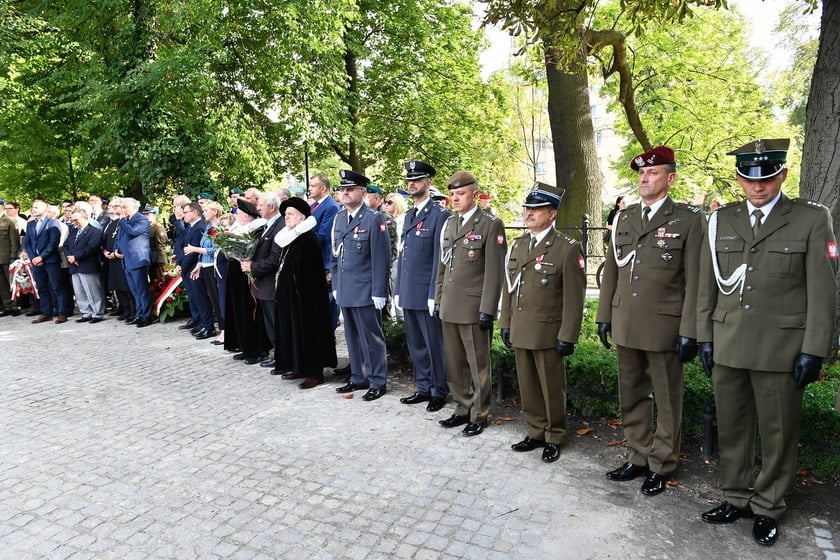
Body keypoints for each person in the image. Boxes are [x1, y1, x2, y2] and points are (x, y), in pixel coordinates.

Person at [696, 138, 838, 546]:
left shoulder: (811, 219)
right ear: (739, 179)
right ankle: (736, 496)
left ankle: (768, 505)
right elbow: (708, 285)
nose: (758, 186)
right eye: (749, 178)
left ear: (783, 176)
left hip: (781, 347)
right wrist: (706, 337)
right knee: (733, 427)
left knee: (778, 433)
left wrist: (815, 348)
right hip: (728, 342)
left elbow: (823, 290)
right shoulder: (721, 221)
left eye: (768, 177)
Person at [596, 146, 704, 496]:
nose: (644, 178)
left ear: (670, 178)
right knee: (631, 392)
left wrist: (690, 330)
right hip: (626, 320)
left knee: (668, 398)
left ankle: (662, 462)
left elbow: (696, 279)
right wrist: (604, 315)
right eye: (642, 173)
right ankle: (638, 454)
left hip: (664, 325)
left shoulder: (688, 219)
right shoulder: (625, 218)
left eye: (653, 173)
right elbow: (612, 269)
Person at [500, 183, 586, 463]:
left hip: (549, 331)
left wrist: (568, 335)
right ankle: (536, 431)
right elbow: (509, 287)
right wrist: (505, 321)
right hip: (522, 328)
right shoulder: (519, 244)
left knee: (550, 387)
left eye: (536, 209)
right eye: (527, 208)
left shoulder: (567, 248)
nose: (529, 213)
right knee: (527, 385)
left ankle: (555, 435)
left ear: (552, 214)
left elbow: (575, 297)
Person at [435, 171, 506, 436]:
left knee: (478, 365)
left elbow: (494, 272)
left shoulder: (490, 224)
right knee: (455, 364)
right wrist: (438, 298)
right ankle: (462, 408)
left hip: (474, 308)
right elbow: (443, 266)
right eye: (452, 194)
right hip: (450, 306)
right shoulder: (451, 224)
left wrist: (488, 308)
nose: (455, 198)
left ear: (474, 195)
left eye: (460, 193)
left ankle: (479, 413)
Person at [331, 169, 391, 401]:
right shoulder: (339, 218)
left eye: (349, 189)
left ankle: (377, 381)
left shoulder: (374, 219)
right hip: (346, 287)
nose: (344, 193)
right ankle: (358, 377)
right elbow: (334, 256)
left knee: (371, 337)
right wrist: (336, 284)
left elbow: (381, 258)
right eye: (342, 189)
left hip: (366, 289)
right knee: (352, 336)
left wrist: (379, 291)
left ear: (362, 192)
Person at [395, 160, 450, 412]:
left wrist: (434, 294)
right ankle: (423, 386)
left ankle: (440, 389)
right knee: (416, 344)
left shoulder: (440, 216)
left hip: (427, 292)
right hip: (409, 291)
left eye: (417, 179)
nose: (412, 183)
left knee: (433, 344)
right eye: (409, 180)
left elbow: (440, 258)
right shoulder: (409, 216)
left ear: (428, 183)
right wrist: (398, 291)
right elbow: (404, 256)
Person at [272, 197, 338, 388]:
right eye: (285, 214)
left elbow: (308, 273)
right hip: (291, 296)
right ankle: (298, 365)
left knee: (309, 331)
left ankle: (314, 372)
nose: (287, 217)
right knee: (293, 331)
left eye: (291, 214)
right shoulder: (291, 238)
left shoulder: (308, 239)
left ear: (302, 218)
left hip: (307, 298)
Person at [240, 192, 284, 367]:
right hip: (263, 285)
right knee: (270, 323)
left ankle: (280, 356)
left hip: (271, 284)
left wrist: (252, 267)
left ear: (272, 207)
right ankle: (277, 354)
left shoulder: (279, 225)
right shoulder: (267, 224)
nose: (257, 208)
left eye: (261, 205)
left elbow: (275, 259)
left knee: (275, 323)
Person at [22, 198, 67, 323]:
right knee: (41, 287)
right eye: (33, 207)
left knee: (57, 287)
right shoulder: (30, 224)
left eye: (36, 207)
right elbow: (28, 242)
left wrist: (42, 257)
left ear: (45, 209)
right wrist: (34, 258)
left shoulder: (52, 223)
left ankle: (62, 312)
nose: (33, 209)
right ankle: (46, 312)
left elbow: (53, 242)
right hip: (36, 262)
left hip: (50, 260)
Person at [114, 198, 154, 328]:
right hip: (126, 260)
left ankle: (147, 316)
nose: (122, 209)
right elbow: (118, 238)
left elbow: (133, 232)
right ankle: (140, 314)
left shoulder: (141, 219)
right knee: (135, 291)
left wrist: (122, 221)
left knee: (142, 290)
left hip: (138, 260)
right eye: (121, 207)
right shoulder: (125, 221)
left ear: (134, 207)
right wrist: (116, 250)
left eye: (125, 207)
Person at [308, 174, 341, 331]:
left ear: (322, 188)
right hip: (315, 261)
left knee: (328, 305)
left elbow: (323, 236)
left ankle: (329, 335)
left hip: (326, 263)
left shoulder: (331, 207)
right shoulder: (314, 206)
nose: (309, 188)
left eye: (313, 185)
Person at [180, 202, 216, 339]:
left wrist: (183, 267)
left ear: (194, 213)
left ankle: (208, 326)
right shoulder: (192, 227)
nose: (184, 215)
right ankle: (204, 325)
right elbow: (184, 247)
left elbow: (193, 251)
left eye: (186, 212)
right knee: (197, 299)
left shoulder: (200, 227)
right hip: (194, 267)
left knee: (202, 299)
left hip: (197, 267)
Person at [65, 205, 105, 323]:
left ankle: (97, 313)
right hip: (74, 265)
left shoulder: (94, 231)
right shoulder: (73, 231)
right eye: (72, 220)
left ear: (84, 217)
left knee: (93, 290)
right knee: (79, 291)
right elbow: (66, 245)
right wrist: (70, 257)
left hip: (88, 265)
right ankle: (86, 312)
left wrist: (76, 257)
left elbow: (92, 248)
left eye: (76, 220)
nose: (74, 222)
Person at [384, 192, 407, 320]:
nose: (386, 205)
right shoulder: (384, 218)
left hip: (398, 260)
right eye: (385, 202)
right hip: (389, 262)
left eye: (390, 202)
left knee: (398, 296)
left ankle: (401, 324)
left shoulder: (403, 219)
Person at [0, 200, 21, 315]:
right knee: (1, 284)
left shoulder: (9, 221)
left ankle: (15, 306)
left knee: (11, 282)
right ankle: (7, 306)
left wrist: (13, 256)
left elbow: (14, 241)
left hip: (7, 257)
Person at [142, 205, 168, 281]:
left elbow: (161, 245)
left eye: (148, 214)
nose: (146, 216)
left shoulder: (158, 227)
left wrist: (161, 261)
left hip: (158, 261)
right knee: (153, 283)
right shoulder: (147, 227)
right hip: (150, 260)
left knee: (160, 282)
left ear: (154, 215)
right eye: (144, 214)